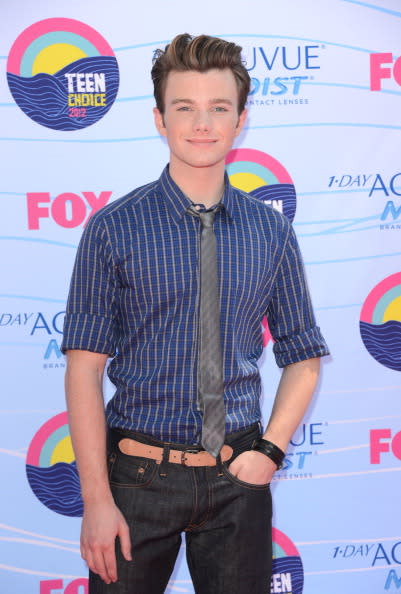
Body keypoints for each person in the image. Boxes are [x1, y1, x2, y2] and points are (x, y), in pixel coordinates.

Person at [62, 33, 329, 594]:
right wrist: (96, 502)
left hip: (239, 481)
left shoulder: (271, 231)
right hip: (135, 482)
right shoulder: (114, 228)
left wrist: (270, 455)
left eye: (218, 108)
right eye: (185, 107)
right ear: (160, 118)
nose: (202, 123)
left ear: (240, 119)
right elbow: (83, 369)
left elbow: (304, 358)